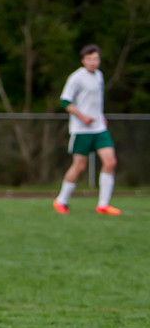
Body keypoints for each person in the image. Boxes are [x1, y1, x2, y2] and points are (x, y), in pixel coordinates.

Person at [53, 44, 121, 216]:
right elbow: (65, 101)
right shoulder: (76, 78)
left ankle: (103, 205)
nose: (93, 62)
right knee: (80, 166)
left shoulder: (99, 75)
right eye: (89, 59)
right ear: (83, 60)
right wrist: (82, 117)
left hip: (99, 128)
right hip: (81, 130)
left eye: (95, 58)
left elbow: (96, 101)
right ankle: (61, 200)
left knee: (110, 163)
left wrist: (100, 116)